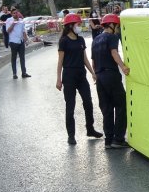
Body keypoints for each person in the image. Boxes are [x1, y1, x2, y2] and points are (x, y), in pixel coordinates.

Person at [56, 13, 103, 145]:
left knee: (88, 102)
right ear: (70, 26)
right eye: (77, 24)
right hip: (69, 76)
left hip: (81, 76)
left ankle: (90, 129)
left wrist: (92, 72)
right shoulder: (64, 41)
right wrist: (58, 79)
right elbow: (60, 61)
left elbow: (84, 58)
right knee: (70, 106)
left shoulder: (81, 40)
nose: (79, 26)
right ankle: (71, 135)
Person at [91, 14, 130, 149]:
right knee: (121, 105)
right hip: (111, 75)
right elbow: (114, 52)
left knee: (106, 109)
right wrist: (123, 66)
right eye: (117, 26)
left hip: (100, 77)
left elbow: (94, 60)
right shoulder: (112, 37)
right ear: (112, 25)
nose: (118, 28)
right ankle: (118, 139)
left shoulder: (96, 39)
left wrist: (95, 75)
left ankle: (108, 140)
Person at [6, 8, 31, 79]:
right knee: (14, 58)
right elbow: (8, 31)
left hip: (21, 41)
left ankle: (24, 73)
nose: (15, 14)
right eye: (14, 13)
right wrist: (14, 23)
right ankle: (14, 73)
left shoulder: (21, 21)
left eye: (16, 13)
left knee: (22, 58)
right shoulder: (9, 20)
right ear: (11, 14)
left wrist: (26, 40)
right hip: (13, 42)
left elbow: (23, 31)